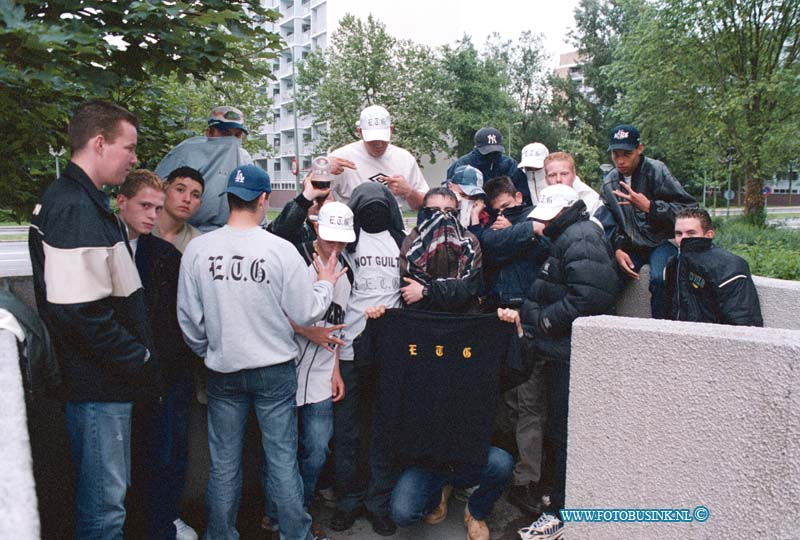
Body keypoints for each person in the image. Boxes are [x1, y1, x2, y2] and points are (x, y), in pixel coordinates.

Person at [177, 165, 346, 540]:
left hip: (223, 370)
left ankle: (220, 534)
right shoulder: (279, 250)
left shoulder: (199, 250)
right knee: (282, 461)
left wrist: (211, 350)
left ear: (229, 200)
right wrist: (324, 285)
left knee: (223, 464)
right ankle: (294, 534)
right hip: (274, 370)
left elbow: (189, 321)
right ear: (264, 199)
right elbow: (305, 312)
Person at [29, 100, 159, 540]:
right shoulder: (75, 208)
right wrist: (138, 355)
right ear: (99, 143)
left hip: (100, 383)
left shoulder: (80, 201)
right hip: (98, 385)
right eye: (129, 148)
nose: (134, 158)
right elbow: (79, 313)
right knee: (104, 510)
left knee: (105, 502)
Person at [366, 188, 511, 540]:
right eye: (435, 211)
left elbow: (471, 288)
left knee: (501, 463)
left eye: (451, 211)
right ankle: (440, 487)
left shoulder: (472, 247)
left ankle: (474, 508)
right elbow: (409, 290)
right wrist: (381, 320)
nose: (444, 219)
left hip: (465, 342)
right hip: (424, 427)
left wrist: (506, 323)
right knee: (404, 512)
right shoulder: (409, 247)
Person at [499, 184, 620, 540]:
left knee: (562, 434)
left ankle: (561, 515)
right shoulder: (570, 235)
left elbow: (591, 298)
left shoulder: (579, 238)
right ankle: (558, 508)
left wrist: (542, 320)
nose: (542, 224)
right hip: (559, 351)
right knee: (556, 432)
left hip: (567, 353)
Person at [117, 170, 198, 540]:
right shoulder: (113, 247)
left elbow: (185, 317)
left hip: (170, 369)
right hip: (129, 370)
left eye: (155, 207)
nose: (151, 213)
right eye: (145, 206)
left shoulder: (173, 252)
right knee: (132, 458)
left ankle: (163, 521)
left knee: (168, 451)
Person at [330, 182, 406, 536]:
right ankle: (348, 502)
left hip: (388, 349)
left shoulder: (401, 241)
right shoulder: (348, 243)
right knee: (346, 433)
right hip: (348, 348)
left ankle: (378, 503)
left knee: (384, 430)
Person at [600, 124, 696, 319]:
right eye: (615, 154)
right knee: (605, 280)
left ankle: (660, 329)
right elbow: (608, 220)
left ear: (639, 149)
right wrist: (617, 247)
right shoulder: (609, 181)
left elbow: (690, 210)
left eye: (626, 154)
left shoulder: (656, 171)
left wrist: (650, 207)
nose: (620, 160)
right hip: (630, 245)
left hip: (661, 242)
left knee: (660, 279)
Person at [155, 106, 253, 232]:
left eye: (237, 135)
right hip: (181, 230)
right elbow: (156, 189)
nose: (231, 140)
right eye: (225, 133)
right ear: (209, 133)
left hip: (230, 233)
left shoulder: (245, 159)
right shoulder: (187, 153)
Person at [664, 208, 763, 326]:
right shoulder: (674, 263)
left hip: (712, 339)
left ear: (709, 235)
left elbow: (744, 320)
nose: (683, 239)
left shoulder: (729, 266)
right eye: (678, 233)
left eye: (691, 233)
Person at [328, 105, 429, 210]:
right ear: (360, 132)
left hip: (393, 222)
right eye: (373, 140)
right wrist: (322, 168)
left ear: (391, 129)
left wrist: (409, 191)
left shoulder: (405, 159)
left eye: (383, 138)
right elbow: (315, 194)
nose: (379, 144)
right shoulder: (341, 158)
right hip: (353, 221)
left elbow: (424, 205)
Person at [479, 176, 550, 309]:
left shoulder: (538, 214)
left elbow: (545, 249)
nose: (502, 213)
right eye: (497, 210)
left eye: (506, 205)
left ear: (518, 197)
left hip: (532, 299)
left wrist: (511, 232)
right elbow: (489, 243)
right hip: (500, 300)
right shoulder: (494, 222)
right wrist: (530, 230)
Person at [447, 128, 532, 205]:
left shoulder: (509, 164)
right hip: (472, 207)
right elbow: (451, 191)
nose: (491, 154)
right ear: (476, 147)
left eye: (495, 151)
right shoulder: (463, 164)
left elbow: (523, 192)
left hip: (504, 208)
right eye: (487, 151)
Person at [153, 166, 204, 253]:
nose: (187, 199)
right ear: (165, 189)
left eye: (195, 195)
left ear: (199, 204)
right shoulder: (140, 226)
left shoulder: (199, 243)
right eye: (180, 190)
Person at [444, 165, 489, 229]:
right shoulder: (435, 207)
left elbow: (476, 238)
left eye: (473, 197)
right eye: (463, 195)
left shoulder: (481, 214)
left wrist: (475, 215)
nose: (467, 200)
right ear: (450, 186)